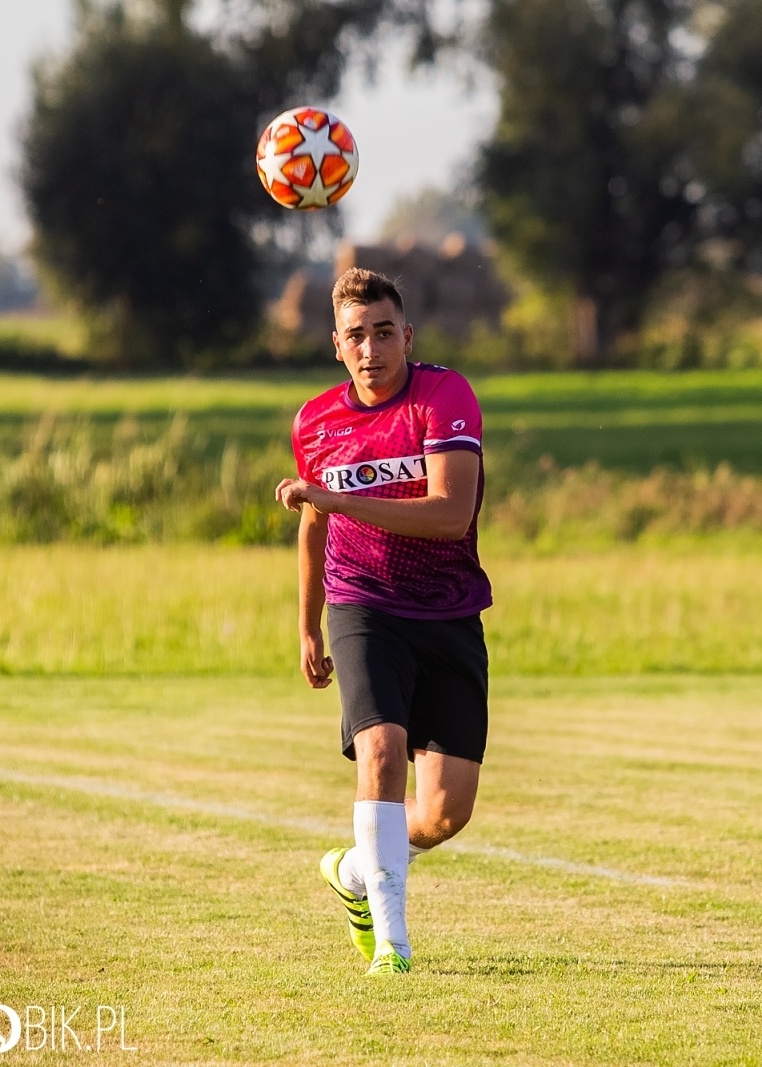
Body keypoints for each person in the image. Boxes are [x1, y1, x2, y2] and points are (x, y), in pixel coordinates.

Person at [275, 267, 492, 974]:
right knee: (381, 749)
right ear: (337, 346)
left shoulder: (443, 395)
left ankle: (356, 869)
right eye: (356, 336)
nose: (372, 348)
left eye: (383, 332)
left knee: (445, 813)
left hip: (449, 610)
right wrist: (308, 625)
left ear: (408, 335)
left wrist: (337, 501)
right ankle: (393, 947)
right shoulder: (315, 421)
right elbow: (313, 529)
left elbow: (451, 512)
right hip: (363, 603)